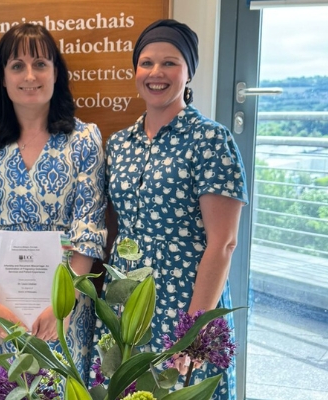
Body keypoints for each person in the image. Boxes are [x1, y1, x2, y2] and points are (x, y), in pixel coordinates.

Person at [93, 19, 248, 399]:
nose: (156, 73)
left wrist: (193, 332)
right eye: (146, 62)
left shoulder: (211, 139)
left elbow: (223, 243)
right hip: (125, 297)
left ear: (188, 72)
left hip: (186, 300)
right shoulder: (119, 143)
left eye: (170, 63)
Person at [0, 23, 107, 399]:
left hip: (62, 309)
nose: (30, 75)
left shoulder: (84, 139)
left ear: (56, 73)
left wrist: (62, 304)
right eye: (17, 65)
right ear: (2, 78)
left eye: (41, 63)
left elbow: (89, 231)